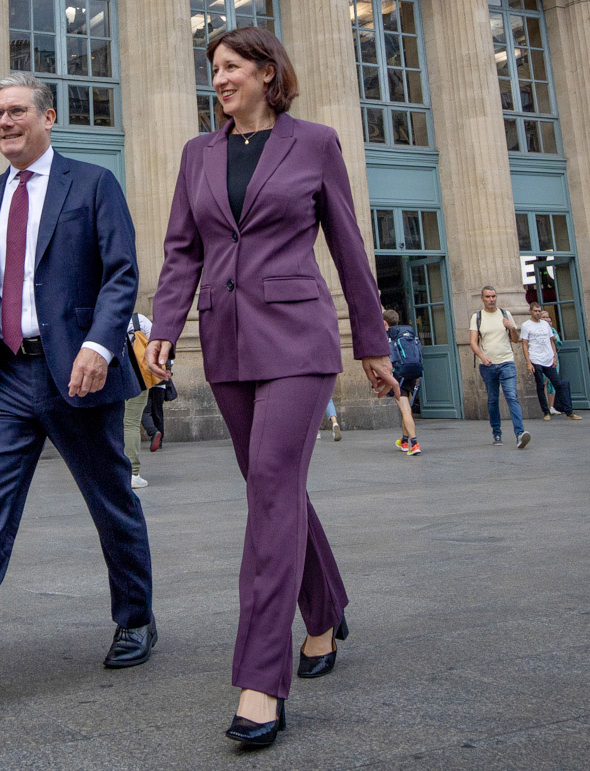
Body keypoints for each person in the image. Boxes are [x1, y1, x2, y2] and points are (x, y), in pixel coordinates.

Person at [144, 28, 398, 748]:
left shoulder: (313, 143)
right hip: (225, 338)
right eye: (213, 70)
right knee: (270, 484)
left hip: (297, 338)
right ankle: (324, 608)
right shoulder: (200, 153)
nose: (218, 80)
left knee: (273, 486)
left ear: (266, 73)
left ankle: (262, 677)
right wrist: (166, 325)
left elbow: (348, 246)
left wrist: (370, 343)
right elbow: (182, 247)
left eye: (229, 68)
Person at [0, 72, 154, 714]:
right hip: (5, 378)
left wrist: (100, 346)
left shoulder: (93, 183)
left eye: (16, 112)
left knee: (111, 500)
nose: (4, 123)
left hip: (77, 372)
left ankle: (135, 616)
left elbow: (121, 273)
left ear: (48, 117)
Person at [469, 287, 531, 448]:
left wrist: (512, 327)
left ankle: (520, 433)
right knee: (493, 399)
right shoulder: (477, 317)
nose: (491, 299)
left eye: (494, 296)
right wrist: (482, 356)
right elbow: (473, 342)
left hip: (507, 362)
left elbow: (515, 340)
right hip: (488, 365)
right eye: (488, 297)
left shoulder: (505, 314)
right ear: (482, 299)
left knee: (511, 396)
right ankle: (496, 433)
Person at [385, 309, 422, 455]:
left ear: (385, 323)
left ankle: (414, 443)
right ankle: (404, 440)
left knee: (405, 410)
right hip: (412, 373)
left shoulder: (388, 337)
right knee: (406, 409)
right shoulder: (408, 334)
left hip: (398, 376)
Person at [124, 312, 153, 487]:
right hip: (138, 377)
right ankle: (132, 473)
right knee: (131, 423)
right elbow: (156, 344)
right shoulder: (139, 320)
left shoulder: (102, 318)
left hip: (111, 378)